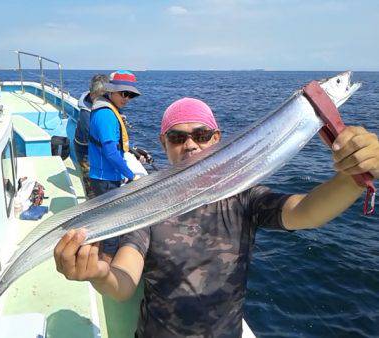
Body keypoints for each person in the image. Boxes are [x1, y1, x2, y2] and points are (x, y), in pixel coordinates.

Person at [54, 97, 379, 337]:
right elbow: (124, 282)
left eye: (201, 134)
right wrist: (99, 273)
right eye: (178, 138)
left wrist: (351, 178)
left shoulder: (242, 196)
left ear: (217, 139)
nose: (191, 145)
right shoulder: (149, 205)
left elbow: (304, 212)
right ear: (163, 144)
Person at [88, 70, 141, 256]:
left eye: (130, 95)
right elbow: (111, 152)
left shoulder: (105, 110)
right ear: (111, 91)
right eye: (123, 93)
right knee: (112, 227)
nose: (126, 98)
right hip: (106, 178)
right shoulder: (106, 115)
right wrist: (131, 175)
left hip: (105, 176)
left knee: (108, 222)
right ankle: (107, 265)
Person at [74, 74, 109, 197]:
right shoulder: (86, 115)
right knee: (90, 179)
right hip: (85, 151)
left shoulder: (98, 102)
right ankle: (91, 199)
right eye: (100, 96)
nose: (104, 100)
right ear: (92, 93)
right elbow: (91, 140)